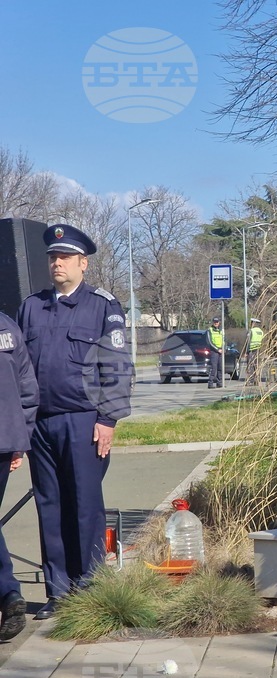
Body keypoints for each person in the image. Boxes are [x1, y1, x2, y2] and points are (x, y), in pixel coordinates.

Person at [17, 223, 132, 620]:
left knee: (84, 506)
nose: (57, 263)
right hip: (40, 425)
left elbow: (116, 367)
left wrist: (108, 418)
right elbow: (20, 371)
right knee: (50, 507)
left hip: (85, 422)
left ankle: (90, 587)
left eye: (64, 257)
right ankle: (59, 592)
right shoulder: (32, 307)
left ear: (83, 264)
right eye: (52, 257)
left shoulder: (102, 306)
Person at [0, 312, 39, 639]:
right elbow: (28, 386)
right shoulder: (7, 326)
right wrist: (19, 440)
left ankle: (7, 591)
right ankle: (8, 593)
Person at [245, 317, 264, 385]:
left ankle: (249, 380)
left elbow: (248, 342)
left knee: (249, 365)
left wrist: (246, 352)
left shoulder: (251, 331)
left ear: (253, 323)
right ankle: (256, 380)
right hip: (258, 350)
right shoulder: (261, 332)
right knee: (256, 365)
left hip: (251, 350)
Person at [206, 316, 223, 389]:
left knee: (220, 368)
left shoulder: (221, 331)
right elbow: (209, 342)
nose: (216, 323)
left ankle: (219, 383)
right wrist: (217, 349)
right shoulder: (210, 330)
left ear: (219, 322)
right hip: (214, 351)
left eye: (217, 322)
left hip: (220, 351)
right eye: (215, 322)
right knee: (214, 368)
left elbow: (223, 340)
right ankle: (210, 383)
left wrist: (223, 348)